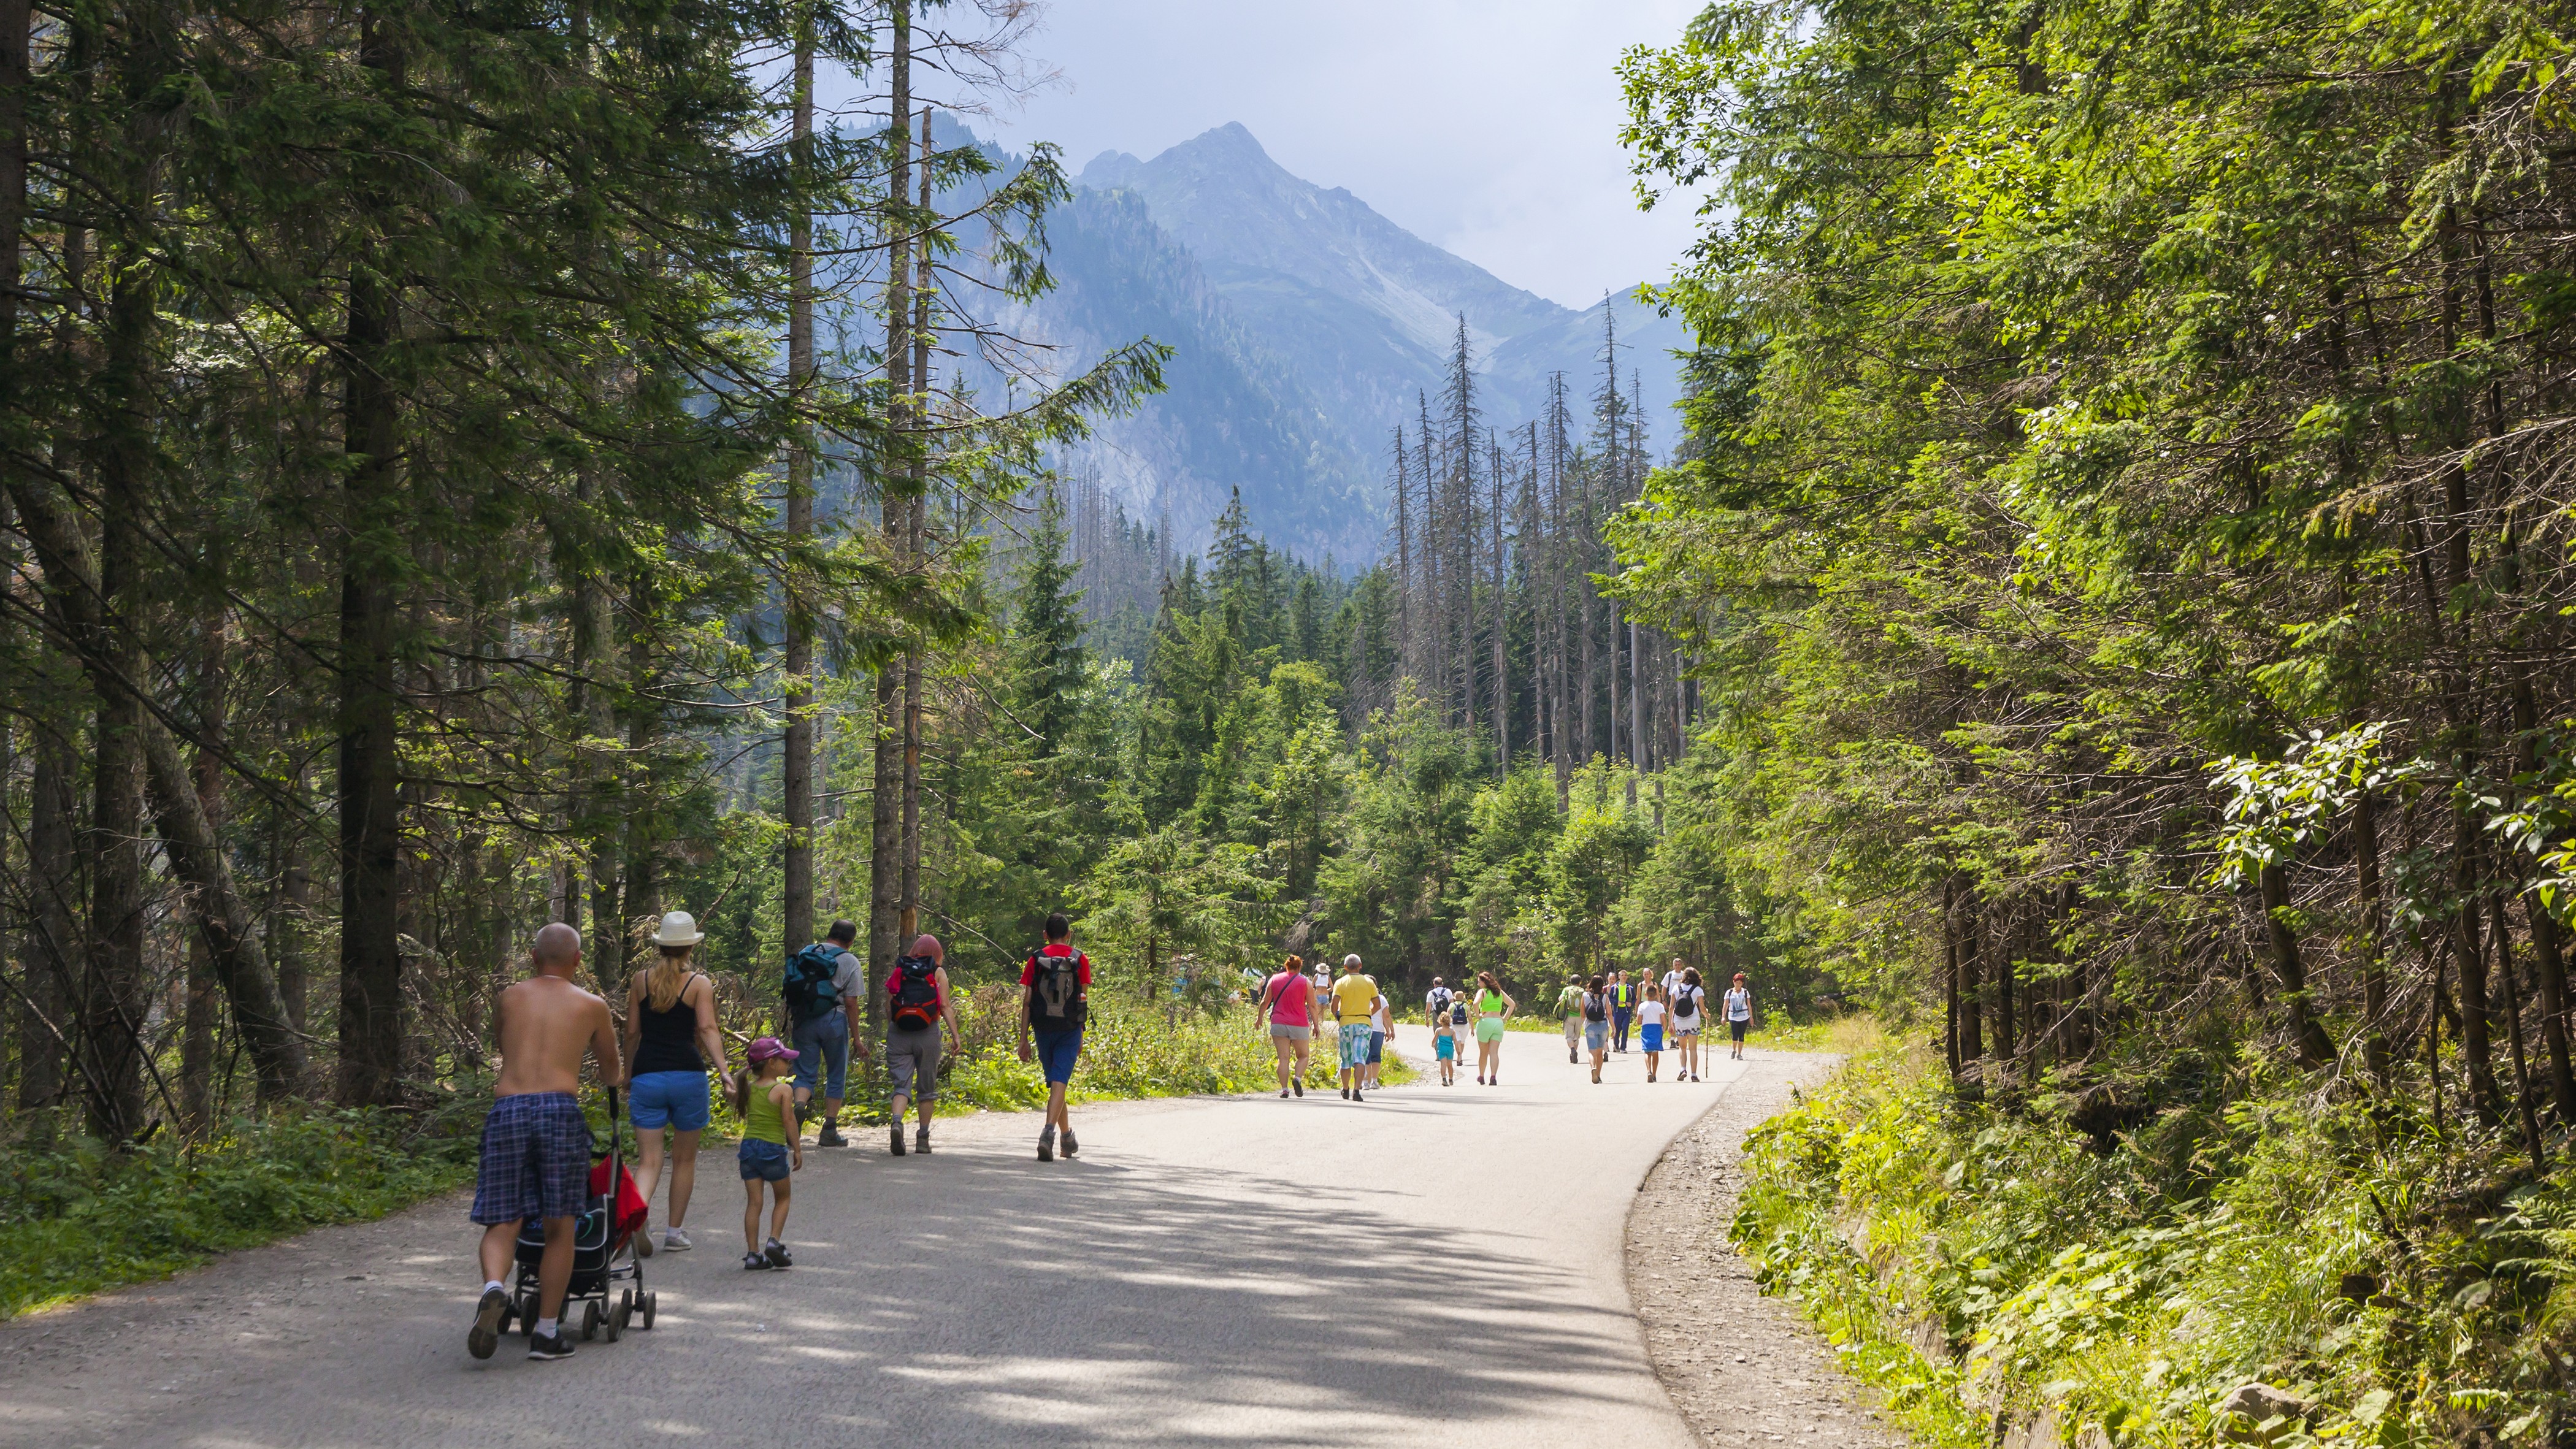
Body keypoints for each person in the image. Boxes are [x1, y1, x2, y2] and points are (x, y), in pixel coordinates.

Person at [466, 922, 623, 1363]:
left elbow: (503, 1041)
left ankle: (495, 1289)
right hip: (559, 1109)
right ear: (578, 960)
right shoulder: (591, 1005)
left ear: (533, 957)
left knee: (503, 1218)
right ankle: (548, 1332)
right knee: (560, 1225)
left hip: (509, 1109)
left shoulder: (510, 996)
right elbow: (612, 1068)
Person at [622, 911, 725, 1255]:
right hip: (688, 1076)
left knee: (649, 1161)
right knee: (684, 1160)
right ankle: (675, 1233)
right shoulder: (699, 984)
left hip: (647, 1075)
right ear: (690, 947)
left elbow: (632, 1032)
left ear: (662, 946)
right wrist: (724, 1072)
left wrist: (627, 1073)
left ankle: (636, 1220)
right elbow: (708, 1030)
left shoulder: (640, 980)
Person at [781, 920, 866, 1147]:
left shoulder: (807, 952)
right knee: (836, 1073)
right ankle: (829, 1129)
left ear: (829, 934)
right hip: (834, 1020)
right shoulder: (850, 961)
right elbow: (851, 1003)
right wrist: (857, 1038)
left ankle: (799, 1106)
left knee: (805, 1072)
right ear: (850, 941)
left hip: (804, 1019)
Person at [1018, 912, 1091, 1160]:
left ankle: (1067, 1138)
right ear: (1069, 935)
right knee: (1059, 1082)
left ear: (1045, 935)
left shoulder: (1035, 960)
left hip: (1042, 1029)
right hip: (1069, 1029)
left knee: (1055, 1084)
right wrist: (1081, 1034)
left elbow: (1027, 1002)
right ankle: (1048, 1133)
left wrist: (1023, 1039)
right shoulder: (1080, 960)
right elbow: (1082, 1000)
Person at [885, 934, 964, 1155]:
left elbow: (888, 1004)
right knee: (926, 1088)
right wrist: (955, 1036)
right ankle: (922, 1139)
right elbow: (946, 1006)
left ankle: (897, 1123)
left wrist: (895, 1025)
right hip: (928, 1032)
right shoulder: (938, 972)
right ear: (938, 953)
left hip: (899, 1032)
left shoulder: (900, 970)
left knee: (902, 1085)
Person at [729, 1036, 802, 1270]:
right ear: (771, 1063)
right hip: (772, 1149)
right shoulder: (783, 1089)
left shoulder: (748, 1088)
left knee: (754, 1202)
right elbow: (788, 1120)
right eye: (783, 1060)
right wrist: (797, 1148)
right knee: (783, 1197)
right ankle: (774, 1241)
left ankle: (753, 1254)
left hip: (749, 1148)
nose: (787, 1065)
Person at [1259, 953, 1316, 1099]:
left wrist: (1259, 1019)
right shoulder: (1305, 983)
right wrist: (1317, 1026)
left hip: (1278, 1023)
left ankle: (1284, 1090)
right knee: (1303, 1056)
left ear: (1286, 966)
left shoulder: (1274, 980)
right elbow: (1313, 1006)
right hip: (1299, 1023)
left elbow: (1265, 1001)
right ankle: (1297, 1079)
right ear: (1300, 967)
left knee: (1283, 1058)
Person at [1329, 954, 1384, 1102]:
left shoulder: (1340, 983)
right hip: (1364, 1024)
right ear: (1360, 966)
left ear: (1345, 967)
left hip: (1346, 1024)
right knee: (1360, 1058)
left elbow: (1334, 1006)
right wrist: (1367, 1015)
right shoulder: (1369, 983)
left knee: (1346, 1059)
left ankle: (1345, 1089)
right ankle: (1357, 1090)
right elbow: (1377, 1005)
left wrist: (1338, 1016)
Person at [1472, 971, 1514, 1086]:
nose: (1478, 984)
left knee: (1483, 1052)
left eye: (1479, 981)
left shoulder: (1483, 992)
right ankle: (1493, 1077)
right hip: (1498, 1022)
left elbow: (1475, 1004)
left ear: (1484, 982)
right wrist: (1504, 1018)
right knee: (1494, 1052)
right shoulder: (1499, 992)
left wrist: (1477, 1016)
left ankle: (1481, 1076)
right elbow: (1512, 1004)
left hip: (1486, 1021)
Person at [1669, 967, 1705, 1082]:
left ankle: (1683, 1069)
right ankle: (1694, 1075)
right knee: (1693, 1048)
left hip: (1679, 1020)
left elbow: (1671, 1008)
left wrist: (1671, 1023)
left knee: (1682, 1047)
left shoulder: (1676, 988)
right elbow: (1702, 1008)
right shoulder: (1698, 989)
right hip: (1693, 1019)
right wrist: (1707, 1015)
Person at [1582, 973, 1611, 1084]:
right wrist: (1614, 1027)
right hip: (1603, 1026)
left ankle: (1593, 1068)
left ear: (1591, 983)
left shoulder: (1585, 996)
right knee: (1600, 1052)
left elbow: (1582, 1014)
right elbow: (1609, 1013)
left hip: (1590, 1026)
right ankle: (1598, 1076)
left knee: (1591, 1051)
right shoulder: (1605, 997)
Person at [1638, 983, 1668, 1083]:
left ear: (1646, 994)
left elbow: (1639, 1021)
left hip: (1646, 1028)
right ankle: (1654, 1075)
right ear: (1656, 995)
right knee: (1655, 1053)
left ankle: (1648, 1071)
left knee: (1647, 1051)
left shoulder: (1642, 1006)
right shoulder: (1660, 1006)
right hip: (1657, 1029)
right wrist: (1664, 1028)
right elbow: (1663, 1019)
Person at [1430, 990, 1460, 1085]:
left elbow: (1434, 1040)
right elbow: (1455, 1041)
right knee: (1450, 1065)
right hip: (1450, 1049)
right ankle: (1451, 1079)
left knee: (1443, 1065)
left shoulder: (1438, 1030)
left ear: (1440, 1021)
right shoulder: (1452, 1031)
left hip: (1441, 1049)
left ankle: (1444, 1079)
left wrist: (1433, 1044)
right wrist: (1458, 1050)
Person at [1555, 977, 1585, 1064]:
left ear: (1571, 981)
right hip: (1580, 1016)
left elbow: (1560, 999)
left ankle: (1572, 1050)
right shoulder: (1582, 990)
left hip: (1569, 1016)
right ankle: (1573, 1054)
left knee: (1569, 1037)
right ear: (1580, 982)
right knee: (1576, 1037)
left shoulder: (1567, 990)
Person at [1725, 972, 1754, 1061]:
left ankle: (1740, 1054)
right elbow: (1725, 1005)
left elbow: (1749, 1005)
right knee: (1735, 1035)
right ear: (1733, 982)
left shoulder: (1745, 992)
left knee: (1741, 1035)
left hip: (1744, 1016)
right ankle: (1734, 1050)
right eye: (1736, 982)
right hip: (1733, 1016)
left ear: (1742, 983)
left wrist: (1751, 1017)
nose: (1738, 984)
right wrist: (1723, 1016)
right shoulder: (1729, 992)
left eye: (1740, 983)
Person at [1610, 970, 1636, 1054]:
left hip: (1626, 1011)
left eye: (1625, 975)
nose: (1624, 977)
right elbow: (1610, 999)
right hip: (1617, 1011)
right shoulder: (1614, 988)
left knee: (1625, 1028)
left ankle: (1623, 1047)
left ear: (1627, 977)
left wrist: (1631, 1004)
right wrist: (1616, 1002)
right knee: (1617, 1029)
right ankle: (1616, 1045)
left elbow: (1634, 999)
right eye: (1622, 975)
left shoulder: (1630, 988)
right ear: (1619, 976)